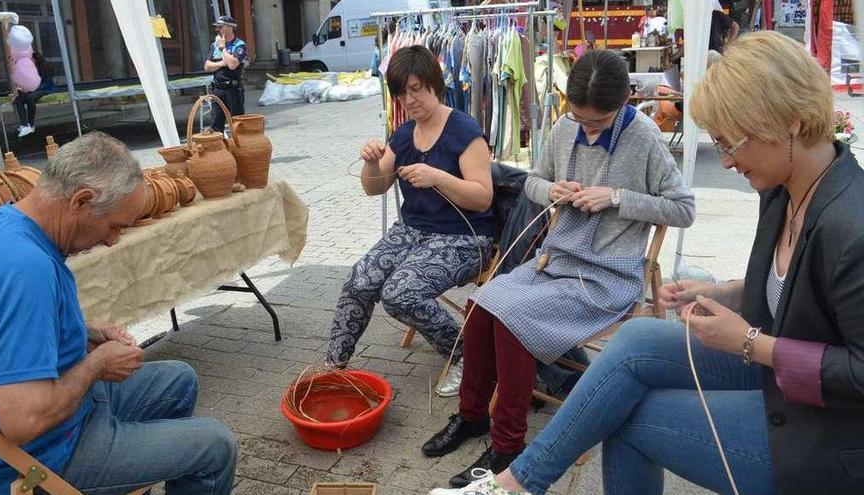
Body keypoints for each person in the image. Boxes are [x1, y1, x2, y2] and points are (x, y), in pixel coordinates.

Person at [429, 31, 864, 495]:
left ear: (790, 122)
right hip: (564, 264)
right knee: (625, 337)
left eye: (730, 144)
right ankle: (506, 469)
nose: (727, 162)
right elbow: (798, 287)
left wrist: (751, 342)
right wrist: (729, 292)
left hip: (827, 432)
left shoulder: (851, 227)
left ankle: (512, 476)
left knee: (624, 411)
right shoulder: (781, 189)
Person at [423, 48, 694, 489]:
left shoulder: (643, 137)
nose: (585, 129)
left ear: (624, 101)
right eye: (579, 119)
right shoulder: (565, 127)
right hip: (556, 261)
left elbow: (683, 209)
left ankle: (508, 444)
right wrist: (553, 189)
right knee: (480, 305)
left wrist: (617, 198)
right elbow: (532, 180)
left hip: (607, 277)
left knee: (514, 320)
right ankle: (472, 416)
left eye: (597, 124)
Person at [0, 132, 238, 495]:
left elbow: (1, 328)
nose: (112, 240)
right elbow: (24, 420)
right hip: (41, 456)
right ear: (82, 200)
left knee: (179, 379)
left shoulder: (3, 225)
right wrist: (96, 365)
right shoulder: (26, 269)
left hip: (68, 416)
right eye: (115, 225)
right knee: (215, 446)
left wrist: (83, 333)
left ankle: (136, 464)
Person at [325, 46, 494, 398]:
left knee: (400, 293)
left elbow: (483, 197)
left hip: (464, 237)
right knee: (360, 279)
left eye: (417, 88)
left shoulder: (464, 131)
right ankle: (332, 368)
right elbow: (375, 188)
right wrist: (371, 162)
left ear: (435, 83)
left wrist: (438, 177)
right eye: (402, 92)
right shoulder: (403, 135)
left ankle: (468, 355)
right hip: (412, 233)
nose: (410, 98)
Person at [204, 15, 247, 133]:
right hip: (218, 88)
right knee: (216, 125)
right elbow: (207, 66)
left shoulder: (239, 45)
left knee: (237, 123)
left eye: (220, 27)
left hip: (233, 88)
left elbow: (233, 65)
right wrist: (223, 63)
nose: (218, 30)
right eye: (217, 27)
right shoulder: (214, 45)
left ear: (230, 28)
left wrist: (223, 48)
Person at [13, 51, 54, 138]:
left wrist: (31, 88)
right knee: (18, 100)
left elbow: (47, 83)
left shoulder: (44, 67)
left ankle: (31, 124)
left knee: (30, 98)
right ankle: (24, 125)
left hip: (45, 88)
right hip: (32, 89)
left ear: (35, 59)